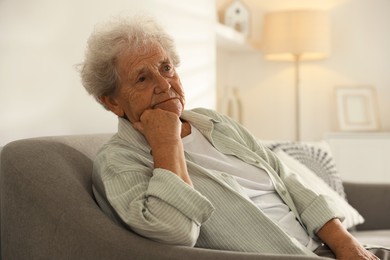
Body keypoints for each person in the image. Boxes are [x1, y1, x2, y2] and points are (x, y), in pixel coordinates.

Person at [79, 15, 387, 259]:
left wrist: (346, 244)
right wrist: (166, 142)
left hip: (329, 248)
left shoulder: (214, 122)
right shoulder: (118, 161)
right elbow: (175, 231)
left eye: (167, 68)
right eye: (143, 78)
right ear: (112, 102)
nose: (165, 84)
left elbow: (287, 178)